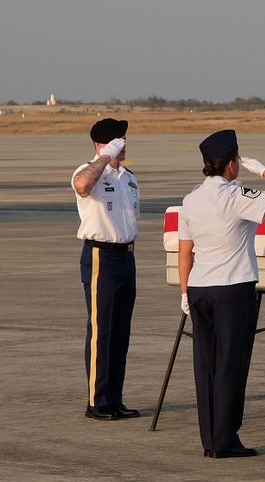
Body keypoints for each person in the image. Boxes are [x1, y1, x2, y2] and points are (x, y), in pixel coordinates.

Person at [177, 129, 265, 458]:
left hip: (199, 288)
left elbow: (186, 253)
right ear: (231, 164)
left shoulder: (191, 199)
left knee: (207, 366)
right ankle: (226, 440)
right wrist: (264, 170)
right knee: (231, 364)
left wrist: (185, 292)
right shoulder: (234, 196)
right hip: (232, 289)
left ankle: (210, 441)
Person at [72, 118, 140, 421]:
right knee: (102, 331)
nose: (124, 145)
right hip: (102, 257)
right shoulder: (88, 173)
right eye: (119, 140)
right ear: (104, 143)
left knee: (121, 332)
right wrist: (103, 156)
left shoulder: (128, 177)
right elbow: (83, 186)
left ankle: (114, 398)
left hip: (127, 257)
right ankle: (97, 402)